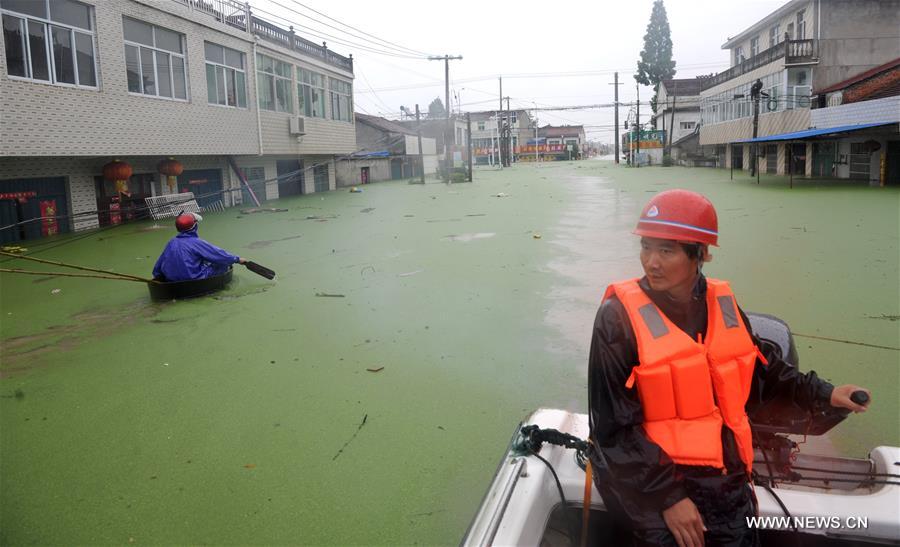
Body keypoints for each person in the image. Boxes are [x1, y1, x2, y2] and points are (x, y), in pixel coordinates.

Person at [587, 189, 870, 547]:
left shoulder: (722, 303)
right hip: (651, 485)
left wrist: (827, 392)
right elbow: (613, 428)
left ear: (701, 255)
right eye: (646, 246)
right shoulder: (617, 319)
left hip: (725, 479)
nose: (651, 262)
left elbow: (762, 369)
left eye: (666, 250)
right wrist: (669, 498)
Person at [152, 212, 245, 282]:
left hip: (171, 280)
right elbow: (219, 255)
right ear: (194, 226)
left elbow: (159, 263)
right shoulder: (197, 242)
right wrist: (237, 259)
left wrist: (157, 275)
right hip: (194, 279)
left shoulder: (171, 242)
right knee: (223, 263)